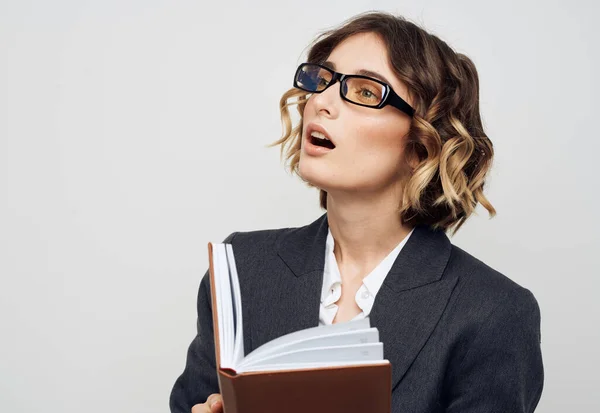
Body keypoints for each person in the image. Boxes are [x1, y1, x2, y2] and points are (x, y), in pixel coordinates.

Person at [170, 11, 544, 413]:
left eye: (366, 92)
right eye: (323, 81)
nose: (321, 103)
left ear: (424, 145)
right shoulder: (241, 269)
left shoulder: (494, 312)